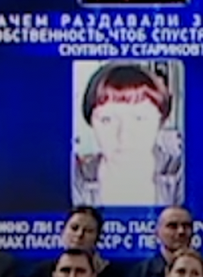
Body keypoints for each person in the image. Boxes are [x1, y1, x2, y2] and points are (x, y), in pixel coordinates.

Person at [72, 60, 182, 209]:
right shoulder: (73, 179)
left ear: (160, 120)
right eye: (107, 120)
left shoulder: (184, 175)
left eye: (139, 118)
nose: (125, 136)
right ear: (90, 122)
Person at [25, 205, 124, 277]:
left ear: (98, 238)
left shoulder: (112, 276)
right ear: (63, 232)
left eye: (88, 231)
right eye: (74, 228)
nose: (79, 234)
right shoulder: (43, 271)